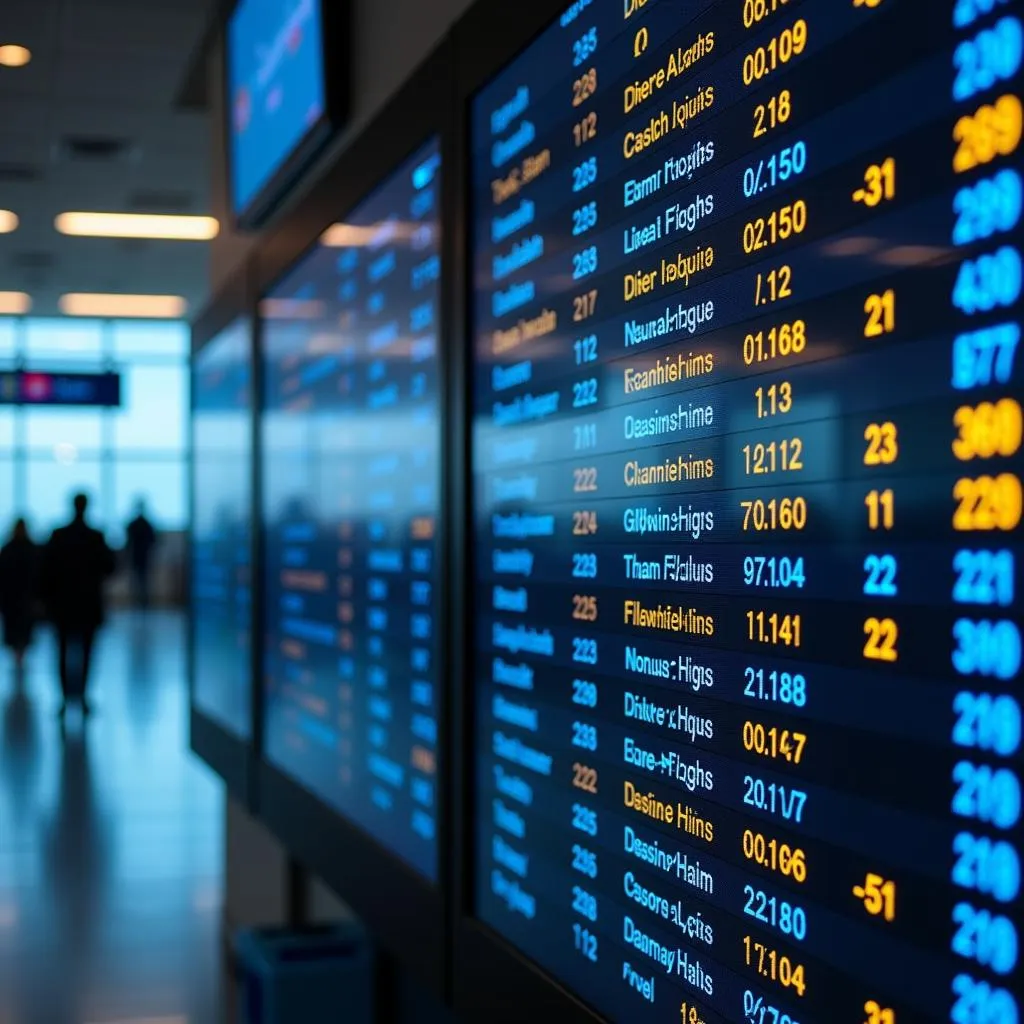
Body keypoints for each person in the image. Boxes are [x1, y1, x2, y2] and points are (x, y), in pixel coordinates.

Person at [40, 494, 115, 718]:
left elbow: (46, 571)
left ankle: (64, 698)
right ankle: (82, 696)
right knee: (87, 652)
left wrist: (44, 600)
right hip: (88, 605)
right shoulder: (95, 537)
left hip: (62, 606)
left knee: (62, 651)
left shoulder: (58, 535)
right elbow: (110, 568)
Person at [0, 518, 39, 676]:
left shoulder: (8, 549)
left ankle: (19, 655)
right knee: (19, 629)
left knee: (20, 629)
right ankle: (19, 655)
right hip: (18, 598)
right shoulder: (29, 549)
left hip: (19, 599)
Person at [124, 499, 158, 609]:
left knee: (141, 580)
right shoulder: (143, 524)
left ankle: (141, 602)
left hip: (140, 556)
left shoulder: (137, 524)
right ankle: (140, 601)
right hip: (140, 556)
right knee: (140, 580)